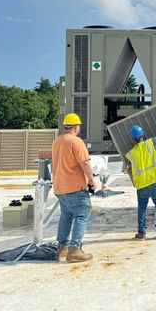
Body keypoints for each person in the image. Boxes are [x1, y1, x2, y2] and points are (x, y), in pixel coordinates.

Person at [51, 112, 99, 261]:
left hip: (60, 187)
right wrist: (91, 180)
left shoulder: (57, 142)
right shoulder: (76, 142)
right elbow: (85, 163)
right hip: (75, 187)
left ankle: (62, 248)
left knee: (66, 216)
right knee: (81, 215)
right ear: (76, 127)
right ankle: (75, 250)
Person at [124, 111, 156, 240]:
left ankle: (141, 233)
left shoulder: (131, 154)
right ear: (143, 135)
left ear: (132, 139)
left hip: (142, 186)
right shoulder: (150, 143)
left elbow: (130, 170)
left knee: (142, 208)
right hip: (155, 182)